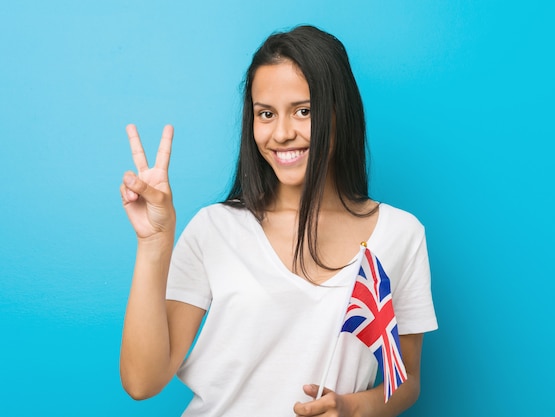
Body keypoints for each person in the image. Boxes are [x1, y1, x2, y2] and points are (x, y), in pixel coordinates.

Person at [119, 25, 437, 417]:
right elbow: (142, 382)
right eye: (265, 114)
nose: (282, 133)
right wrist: (154, 243)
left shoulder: (401, 234)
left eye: (304, 111)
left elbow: (406, 380)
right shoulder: (215, 229)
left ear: (341, 112)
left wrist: (351, 408)